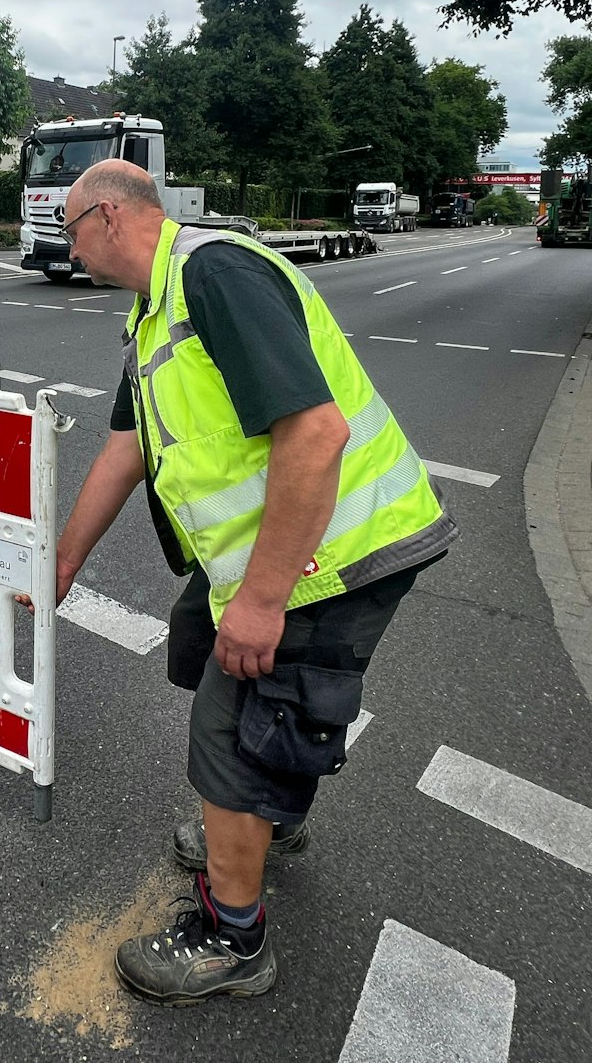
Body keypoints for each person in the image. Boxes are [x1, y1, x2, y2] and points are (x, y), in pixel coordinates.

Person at [48, 160, 456, 1005]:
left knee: (234, 728)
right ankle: (274, 819)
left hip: (334, 550)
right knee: (215, 653)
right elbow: (126, 448)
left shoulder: (214, 274)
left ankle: (233, 939)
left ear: (110, 216)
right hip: (291, 545)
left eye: (70, 229)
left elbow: (316, 434)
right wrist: (63, 561)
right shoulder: (157, 310)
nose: (70, 249)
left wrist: (263, 600)